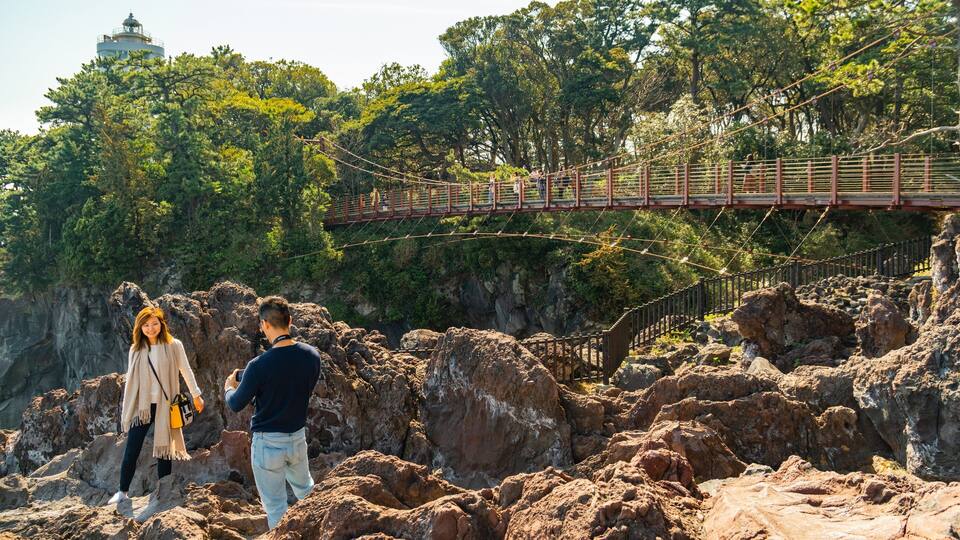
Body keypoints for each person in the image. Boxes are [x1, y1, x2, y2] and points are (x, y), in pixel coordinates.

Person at [224, 296, 322, 530]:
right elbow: (291, 375)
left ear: (264, 324)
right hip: (297, 438)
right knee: (308, 492)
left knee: (276, 507)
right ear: (290, 321)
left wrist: (229, 386)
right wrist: (246, 375)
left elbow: (236, 403)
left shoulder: (259, 366)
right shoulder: (312, 355)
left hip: (267, 444)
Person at [109, 307, 204, 508]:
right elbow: (131, 381)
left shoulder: (173, 345)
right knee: (132, 449)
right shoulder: (136, 349)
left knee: (164, 449)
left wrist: (196, 395)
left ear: (161, 324)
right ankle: (122, 491)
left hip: (165, 404)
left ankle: (164, 490)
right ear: (140, 327)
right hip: (142, 406)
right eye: (146, 325)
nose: (151, 328)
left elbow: (185, 370)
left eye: (154, 324)